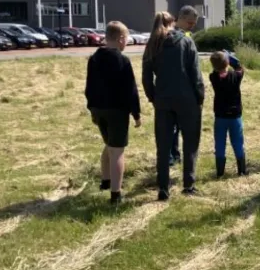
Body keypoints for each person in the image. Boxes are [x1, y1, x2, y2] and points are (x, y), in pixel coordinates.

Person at [142, 11, 205, 201]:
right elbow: (196, 73)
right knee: (190, 142)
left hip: (163, 100)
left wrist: (153, 97)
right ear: (173, 23)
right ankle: (189, 184)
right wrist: (200, 96)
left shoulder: (152, 44)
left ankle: (163, 187)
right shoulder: (186, 42)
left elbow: (146, 77)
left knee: (163, 145)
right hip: (187, 100)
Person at [85, 21, 142, 205]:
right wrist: (136, 113)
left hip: (98, 109)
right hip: (117, 110)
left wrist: (92, 109)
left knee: (109, 144)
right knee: (117, 151)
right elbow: (130, 89)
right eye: (126, 39)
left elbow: (89, 87)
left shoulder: (94, 58)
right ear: (121, 39)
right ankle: (116, 194)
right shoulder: (122, 60)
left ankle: (105, 180)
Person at [169, 6, 201, 167]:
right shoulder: (168, 36)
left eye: (194, 24)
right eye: (189, 22)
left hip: (178, 90)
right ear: (180, 18)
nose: (191, 26)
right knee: (172, 127)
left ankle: (174, 155)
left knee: (176, 127)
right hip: (177, 91)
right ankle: (172, 156)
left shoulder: (186, 35)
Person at [209, 51, 247, 177]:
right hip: (235, 115)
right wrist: (231, 58)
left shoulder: (213, 77)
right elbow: (240, 68)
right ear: (227, 63)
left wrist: (223, 59)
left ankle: (220, 172)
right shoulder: (235, 76)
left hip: (220, 115)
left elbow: (217, 70)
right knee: (238, 142)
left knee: (220, 142)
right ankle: (242, 170)